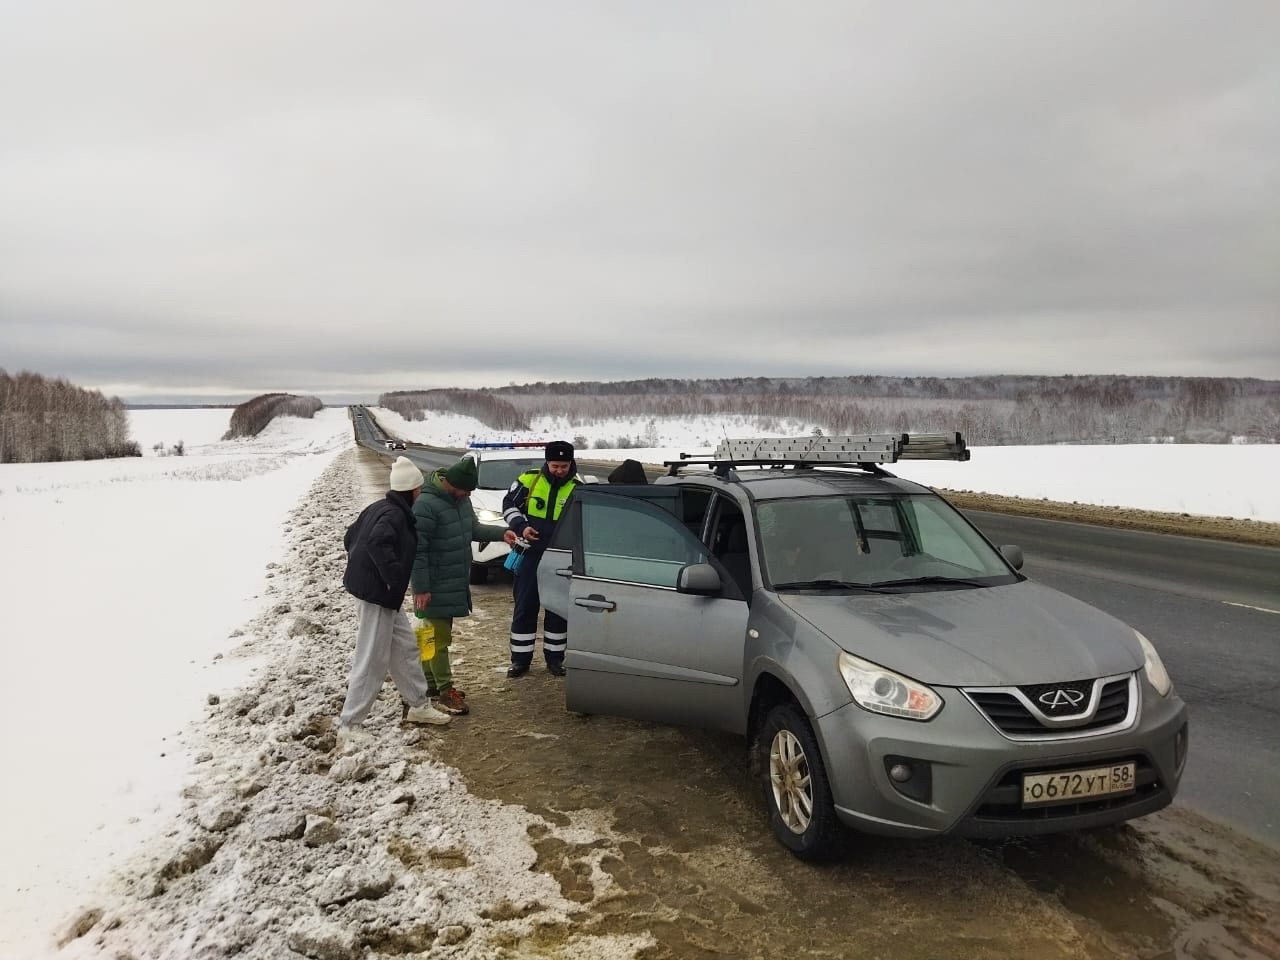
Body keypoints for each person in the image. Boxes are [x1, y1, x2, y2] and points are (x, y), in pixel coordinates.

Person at [337, 455, 452, 746]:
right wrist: (391, 576)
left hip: (383, 594)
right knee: (372, 657)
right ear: (413, 490)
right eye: (419, 489)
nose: (421, 492)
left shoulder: (380, 507)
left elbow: (350, 537)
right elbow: (376, 542)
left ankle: (417, 705)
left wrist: (366, 568)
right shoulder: (394, 515)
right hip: (378, 595)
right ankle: (350, 724)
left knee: (405, 648)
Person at [410, 456, 518, 715]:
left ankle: (430, 685)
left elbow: (472, 528)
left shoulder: (461, 500)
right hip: (434, 585)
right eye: (466, 489)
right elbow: (418, 551)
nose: (469, 494)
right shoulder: (426, 505)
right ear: (450, 483)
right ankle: (445, 691)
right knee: (437, 639)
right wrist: (421, 589)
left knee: (431, 637)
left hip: (452, 582)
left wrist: (501, 533)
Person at [502, 439, 583, 677]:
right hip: (529, 555)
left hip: (559, 560)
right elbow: (508, 506)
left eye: (563, 466)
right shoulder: (529, 480)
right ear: (547, 462)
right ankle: (520, 660)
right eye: (555, 465)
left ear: (571, 464)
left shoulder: (578, 488)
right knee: (525, 606)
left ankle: (555, 659)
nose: (559, 470)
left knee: (557, 609)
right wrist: (521, 526)